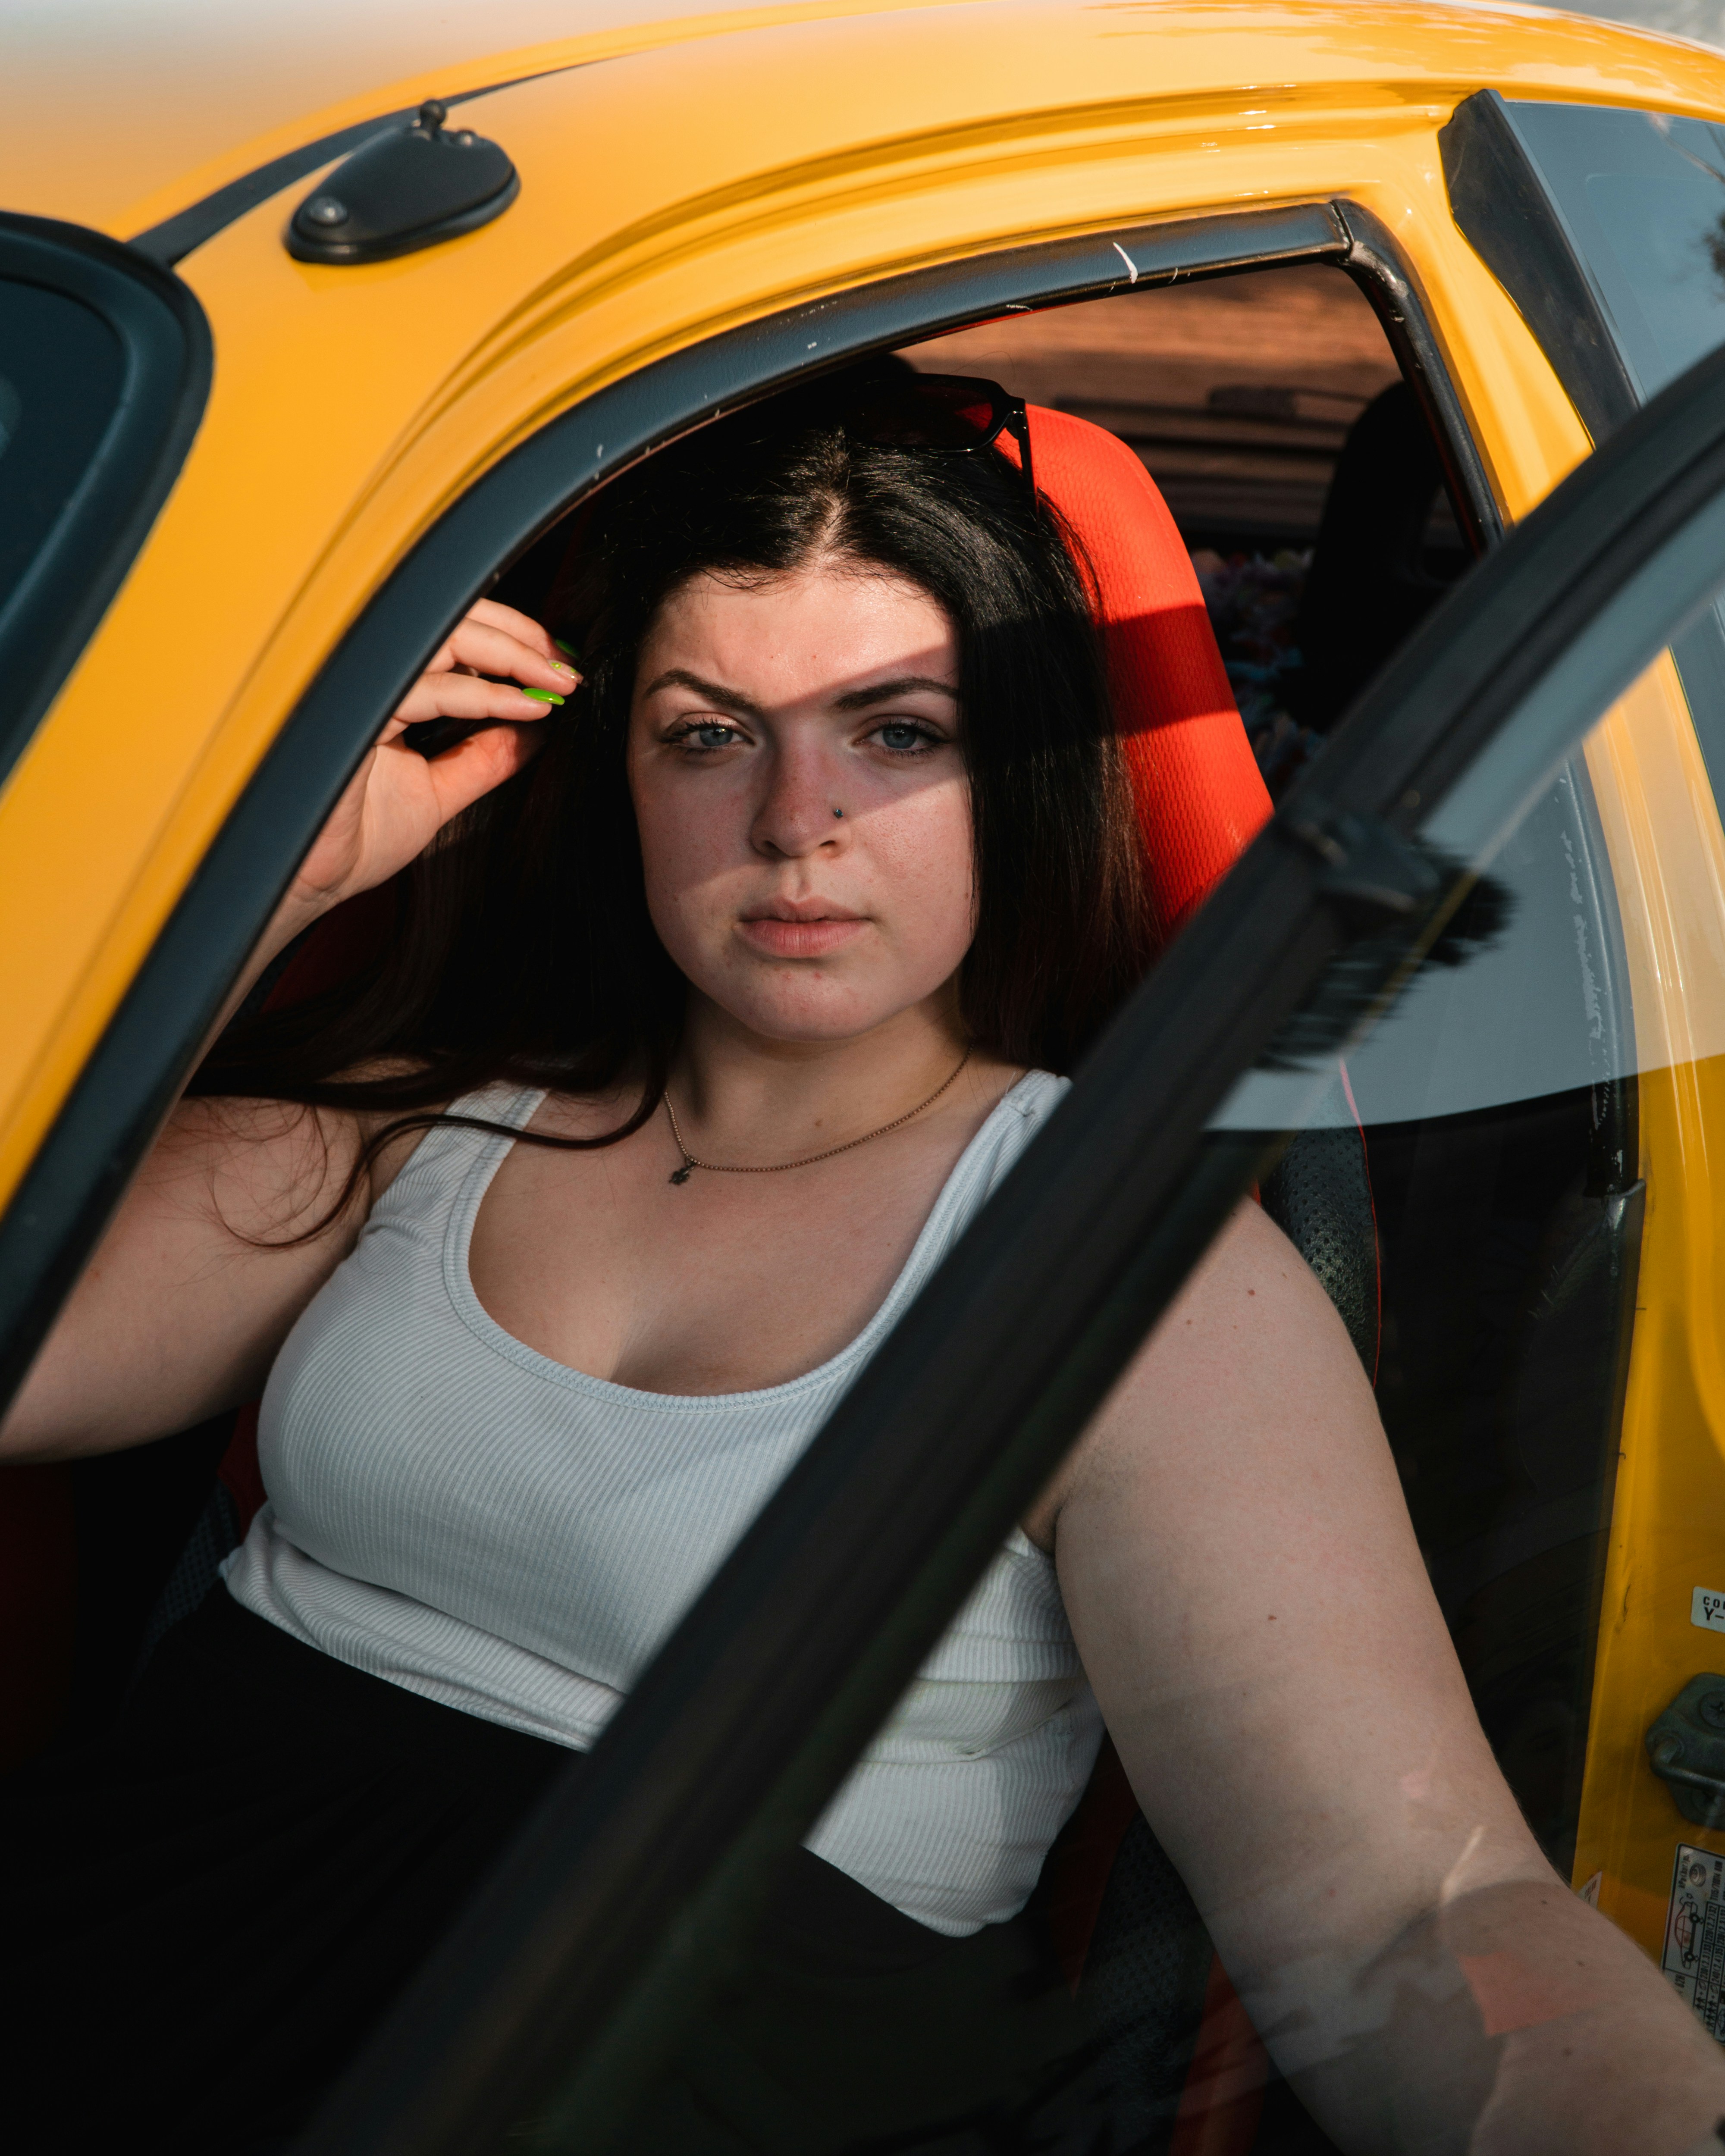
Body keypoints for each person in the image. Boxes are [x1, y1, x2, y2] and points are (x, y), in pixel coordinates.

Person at [1, 372, 1721, 2156]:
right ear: (619, 776)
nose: (792, 819)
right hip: (102, 1981)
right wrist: (254, 887)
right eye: (707, 731)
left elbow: (1407, 1915)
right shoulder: (417, 1110)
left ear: (1021, 773)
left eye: (894, 732)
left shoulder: (1118, 1261)